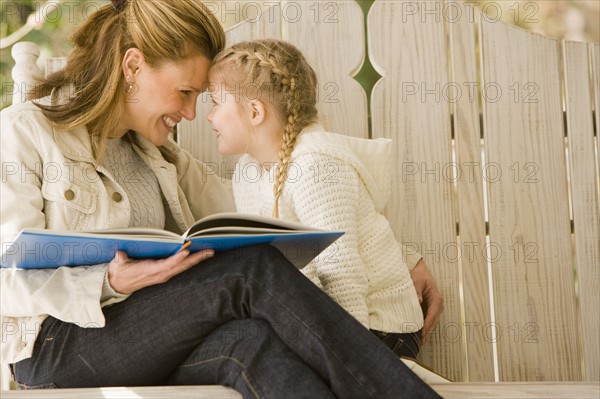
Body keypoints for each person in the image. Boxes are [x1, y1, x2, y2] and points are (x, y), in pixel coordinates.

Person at [0, 0, 442, 397]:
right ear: (132, 66)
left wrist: (401, 261)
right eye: (186, 93)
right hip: (57, 346)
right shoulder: (24, 132)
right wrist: (108, 282)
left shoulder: (162, 158)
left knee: (250, 343)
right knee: (252, 272)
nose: (191, 114)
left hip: (141, 339)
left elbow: (262, 220)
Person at [206, 39, 437, 359]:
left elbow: (342, 273)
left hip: (375, 328)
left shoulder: (316, 165)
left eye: (216, 103)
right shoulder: (248, 172)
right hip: (322, 314)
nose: (209, 116)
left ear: (255, 111)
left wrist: (352, 363)